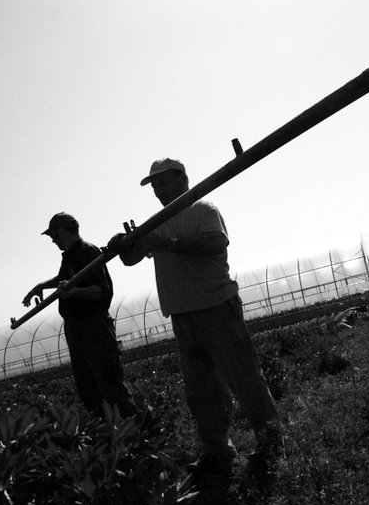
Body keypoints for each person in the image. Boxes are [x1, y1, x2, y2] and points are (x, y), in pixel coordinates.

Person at [109, 158, 281, 473]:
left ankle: (271, 444)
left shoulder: (204, 210)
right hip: (183, 315)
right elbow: (131, 259)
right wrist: (123, 245)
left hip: (216, 306)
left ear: (182, 179)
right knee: (201, 391)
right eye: (155, 186)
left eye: (163, 182)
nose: (158, 190)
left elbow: (216, 243)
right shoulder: (155, 222)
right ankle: (217, 451)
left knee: (244, 379)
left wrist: (168, 244)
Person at [23, 212, 138, 419]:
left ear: (60, 230)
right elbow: (64, 278)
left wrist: (74, 292)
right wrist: (42, 286)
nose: (52, 240)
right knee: (89, 391)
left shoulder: (87, 251)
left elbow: (101, 291)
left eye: (53, 235)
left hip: (93, 327)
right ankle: (109, 439)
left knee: (110, 388)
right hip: (76, 329)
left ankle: (139, 434)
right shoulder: (71, 256)